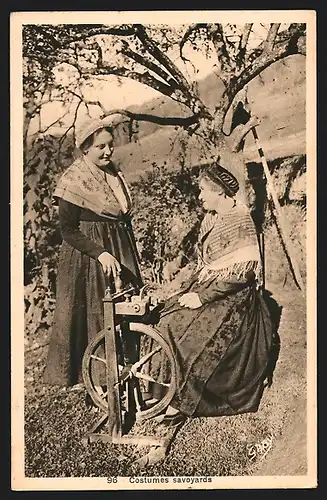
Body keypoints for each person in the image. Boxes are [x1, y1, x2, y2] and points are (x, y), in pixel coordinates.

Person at [152, 163, 275, 427]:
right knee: (168, 314)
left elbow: (243, 275)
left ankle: (181, 398)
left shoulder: (240, 219)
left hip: (235, 299)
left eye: (204, 191)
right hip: (213, 287)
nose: (200, 196)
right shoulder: (211, 218)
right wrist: (190, 290)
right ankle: (164, 390)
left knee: (187, 330)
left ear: (219, 192)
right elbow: (207, 265)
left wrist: (202, 297)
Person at [44, 116, 143, 387]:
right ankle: (100, 383)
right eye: (101, 147)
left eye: (110, 145)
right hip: (89, 256)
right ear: (85, 148)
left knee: (127, 308)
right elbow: (67, 230)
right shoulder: (72, 181)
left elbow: (121, 216)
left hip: (119, 248)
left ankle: (127, 373)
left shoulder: (114, 174)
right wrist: (100, 253)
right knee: (97, 314)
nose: (108, 151)